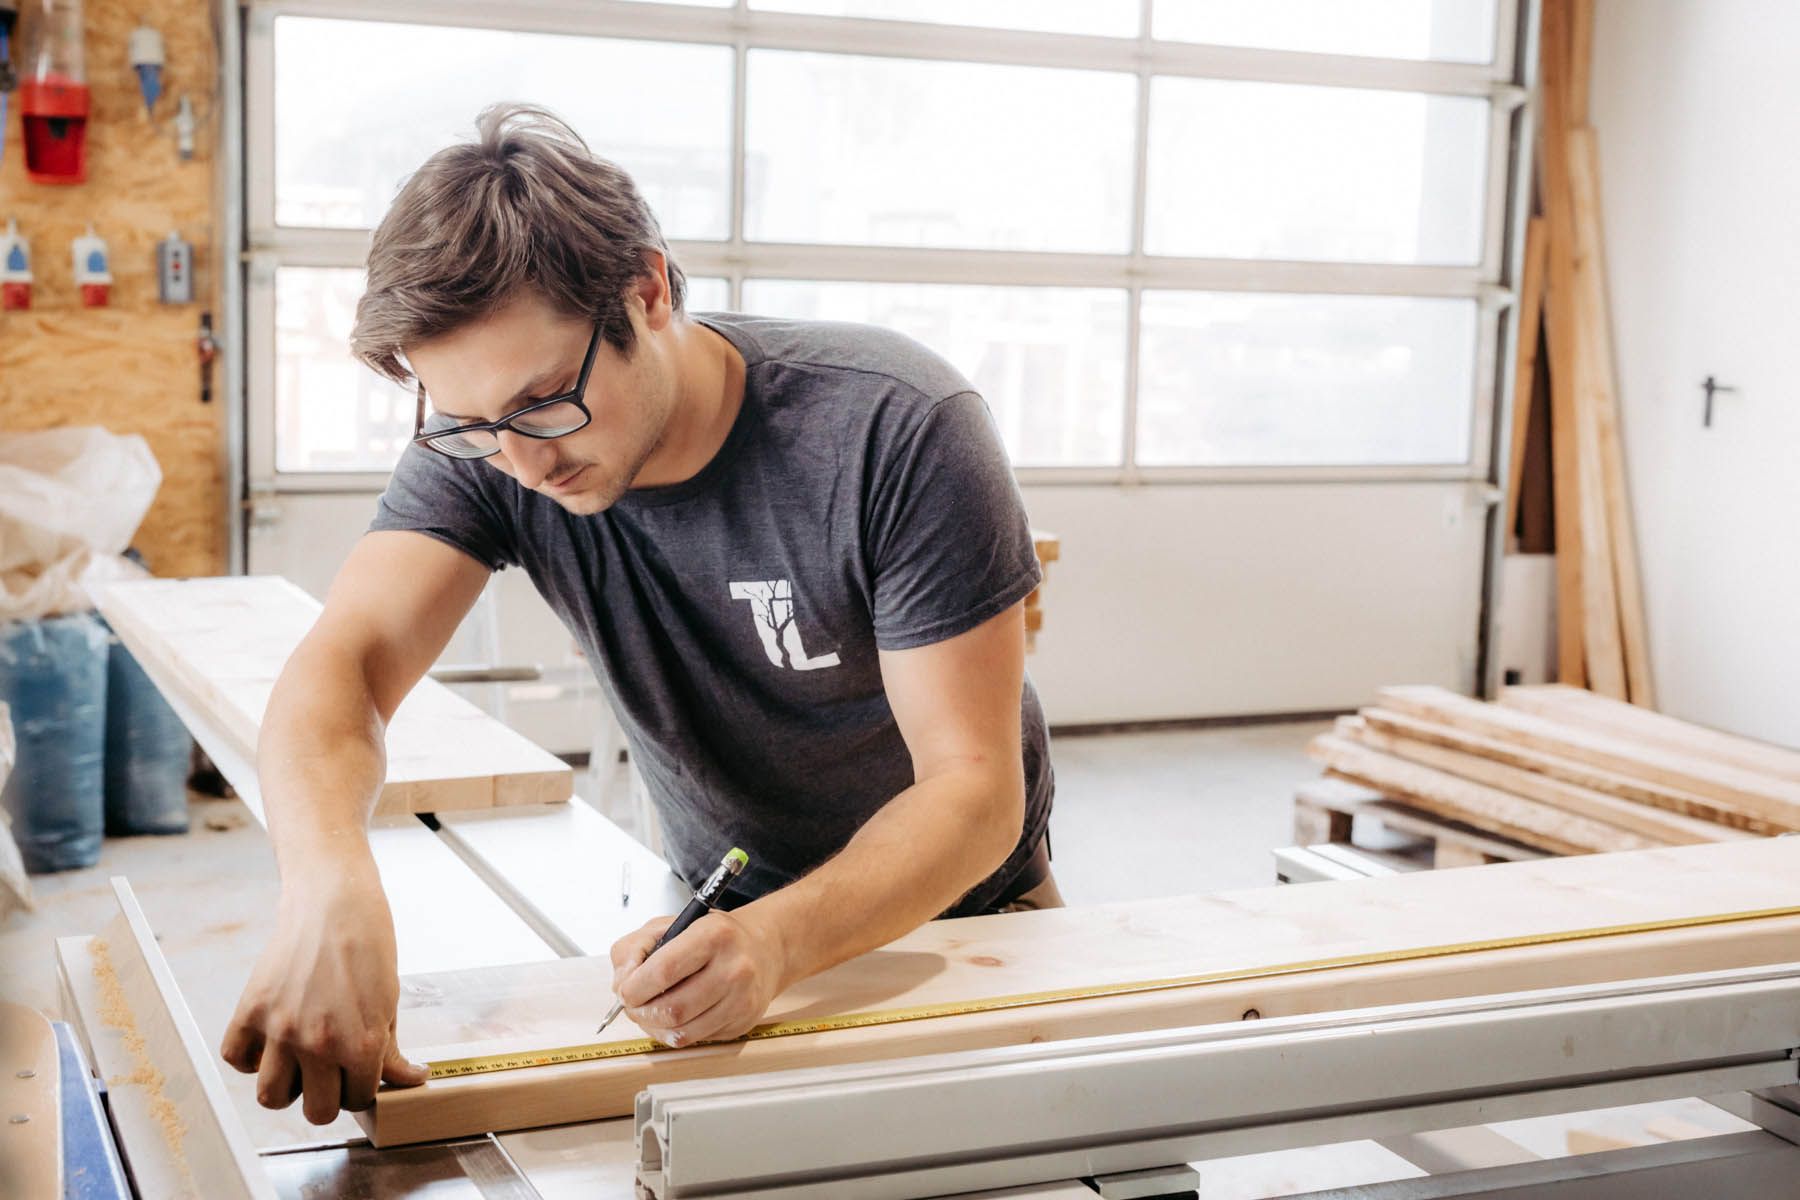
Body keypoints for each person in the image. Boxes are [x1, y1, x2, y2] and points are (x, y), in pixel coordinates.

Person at [219, 104, 1058, 1127]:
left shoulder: (894, 424)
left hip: (967, 927)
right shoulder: (500, 447)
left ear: (648, 291)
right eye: (473, 425)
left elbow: (974, 793)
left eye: (542, 404)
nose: (524, 461)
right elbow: (342, 666)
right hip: (721, 920)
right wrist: (327, 888)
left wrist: (778, 944)